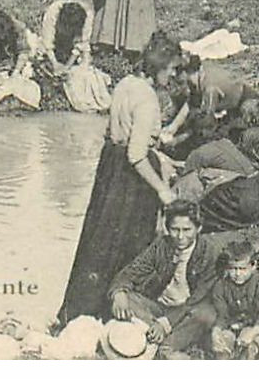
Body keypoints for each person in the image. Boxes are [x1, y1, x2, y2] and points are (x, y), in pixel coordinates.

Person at [58, 35, 184, 324]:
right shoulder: (149, 100)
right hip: (132, 180)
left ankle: (79, 311)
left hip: (110, 166)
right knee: (129, 245)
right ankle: (116, 313)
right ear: (159, 66)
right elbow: (137, 155)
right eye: (172, 69)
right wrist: (163, 189)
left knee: (99, 239)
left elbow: (113, 133)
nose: (174, 75)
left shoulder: (126, 84)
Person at [107, 201, 226, 335]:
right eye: (175, 230)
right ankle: (156, 334)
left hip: (186, 311)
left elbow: (198, 298)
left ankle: (161, 343)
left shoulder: (209, 252)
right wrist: (119, 292)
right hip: (158, 307)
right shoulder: (162, 245)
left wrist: (164, 323)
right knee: (126, 299)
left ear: (198, 228)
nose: (180, 237)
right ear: (168, 229)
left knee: (205, 315)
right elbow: (132, 271)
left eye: (187, 230)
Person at [162, 238, 259, 360]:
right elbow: (222, 315)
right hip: (232, 328)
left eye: (242, 269)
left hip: (256, 329)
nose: (237, 274)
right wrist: (217, 331)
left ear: (253, 266)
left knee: (251, 348)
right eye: (233, 268)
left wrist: (253, 331)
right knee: (222, 344)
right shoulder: (221, 285)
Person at [34, 0, 112, 113]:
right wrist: (55, 64)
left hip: (73, 50)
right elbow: (47, 43)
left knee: (84, 71)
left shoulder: (88, 16)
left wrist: (67, 67)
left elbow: (80, 45)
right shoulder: (52, 14)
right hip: (56, 44)